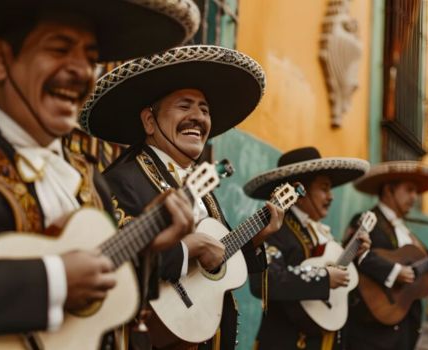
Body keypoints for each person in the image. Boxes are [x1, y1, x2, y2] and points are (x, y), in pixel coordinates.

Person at [0, 0, 201, 348]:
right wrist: (53, 282)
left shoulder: (89, 178)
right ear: (0, 59)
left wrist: (146, 249)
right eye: (58, 49)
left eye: (90, 57)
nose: (81, 70)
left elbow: (102, 293)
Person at [78, 44, 285, 349]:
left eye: (204, 109)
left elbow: (217, 259)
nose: (197, 117)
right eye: (184, 106)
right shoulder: (123, 180)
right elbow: (117, 264)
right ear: (150, 121)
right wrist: (188, 249)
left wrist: (254, 239)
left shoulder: (205, 191)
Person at [243, 146, 371, 350]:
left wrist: (354, 254)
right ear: (299, 190)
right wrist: (323, 278)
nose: (331, 197)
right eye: (324, 188)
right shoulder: (275, 226)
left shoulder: (319, 230)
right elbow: (265, 281)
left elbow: (329, 270)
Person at [344, 161, 428, 350]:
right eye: (409, 189)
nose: (414, 197)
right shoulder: (366, 220)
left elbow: (418, 282)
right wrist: (393, 271)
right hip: (371, 332)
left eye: (416, 191)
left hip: (405, 331)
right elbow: (352, 252)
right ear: (389, 190)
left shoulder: (407, 232)